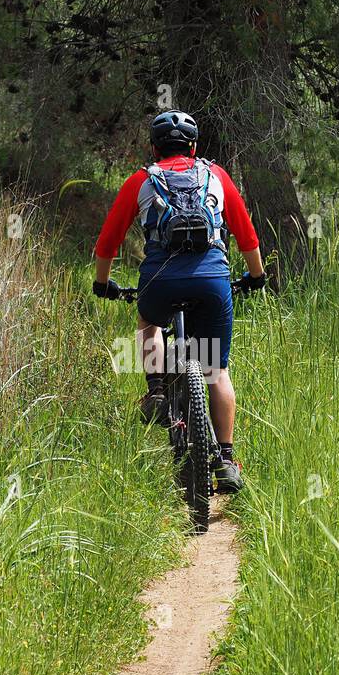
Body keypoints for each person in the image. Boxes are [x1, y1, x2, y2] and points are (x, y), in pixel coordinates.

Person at [92, 110, 266, 492]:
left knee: (148, 323)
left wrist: (103, 284)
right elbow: (247, 236)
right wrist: (256, 276)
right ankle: (225, 458)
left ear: (154, 148)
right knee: (217, 371)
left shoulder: (141, 179)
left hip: (160, 281)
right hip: (212, 281)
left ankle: (156, 390)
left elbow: (107, 243)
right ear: (194, 146)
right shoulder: (216, 176)